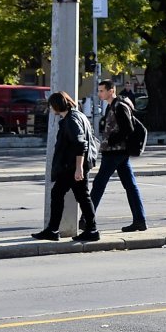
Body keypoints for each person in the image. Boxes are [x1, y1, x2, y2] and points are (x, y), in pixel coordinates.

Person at [33, 91, 100, 242]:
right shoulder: (78, 115)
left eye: (51, 106)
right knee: (79, 196)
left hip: (71, 166)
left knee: (66, 195)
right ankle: (86, 229)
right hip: (72, 165)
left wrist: (79, 168)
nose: (50, 109)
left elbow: (80, 143)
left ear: (57, 106)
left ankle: (87, 229)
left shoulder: (71, 120)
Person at [89, 79, 149, 232]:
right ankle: (139, 220)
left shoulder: (119, 106)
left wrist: (111, 140)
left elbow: (128, 129)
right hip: (118, 152)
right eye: (99, 90)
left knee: (99, 184)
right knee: (130, 186)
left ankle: (87, 219)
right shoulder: (113, 106)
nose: (99, 93)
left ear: (111, 90)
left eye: (102, 90)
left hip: (115, 152)